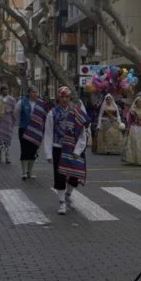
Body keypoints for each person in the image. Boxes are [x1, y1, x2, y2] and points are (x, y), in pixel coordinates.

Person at [42, 86, 88, 215]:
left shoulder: (76, 112)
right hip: (58, 148)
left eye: (67, 97)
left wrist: (77, 151)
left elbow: (82, 134)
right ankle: (62, 203)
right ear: (58, 98)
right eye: (62, 97)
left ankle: (68, 193)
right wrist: (48, 153)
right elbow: (49, 133)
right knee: (60, 176)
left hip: (73, 149)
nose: (65, 100)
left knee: (74, 175)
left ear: (70, 98)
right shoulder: (52, 113)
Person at [15, 86, 48, 180]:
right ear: (29, 93)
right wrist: (21, 123)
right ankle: (24, 172)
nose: (35, 94)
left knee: (33, 151)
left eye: (36, 92)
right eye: (33, 92)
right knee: (25, 150)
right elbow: (16, 114)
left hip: (37, 131)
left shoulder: (41, 104)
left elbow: (45, 115)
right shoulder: (22, 102)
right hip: (24, 129)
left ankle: (30, 171)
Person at [0, 85, 16, 164]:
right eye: (4, 90)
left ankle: (7, 157)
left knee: (7, 140)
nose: (6, 91)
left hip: (8, 123)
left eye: (7, 89)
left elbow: (15, 110)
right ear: (1, 90)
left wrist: (12, 114)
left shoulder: (12, 99)